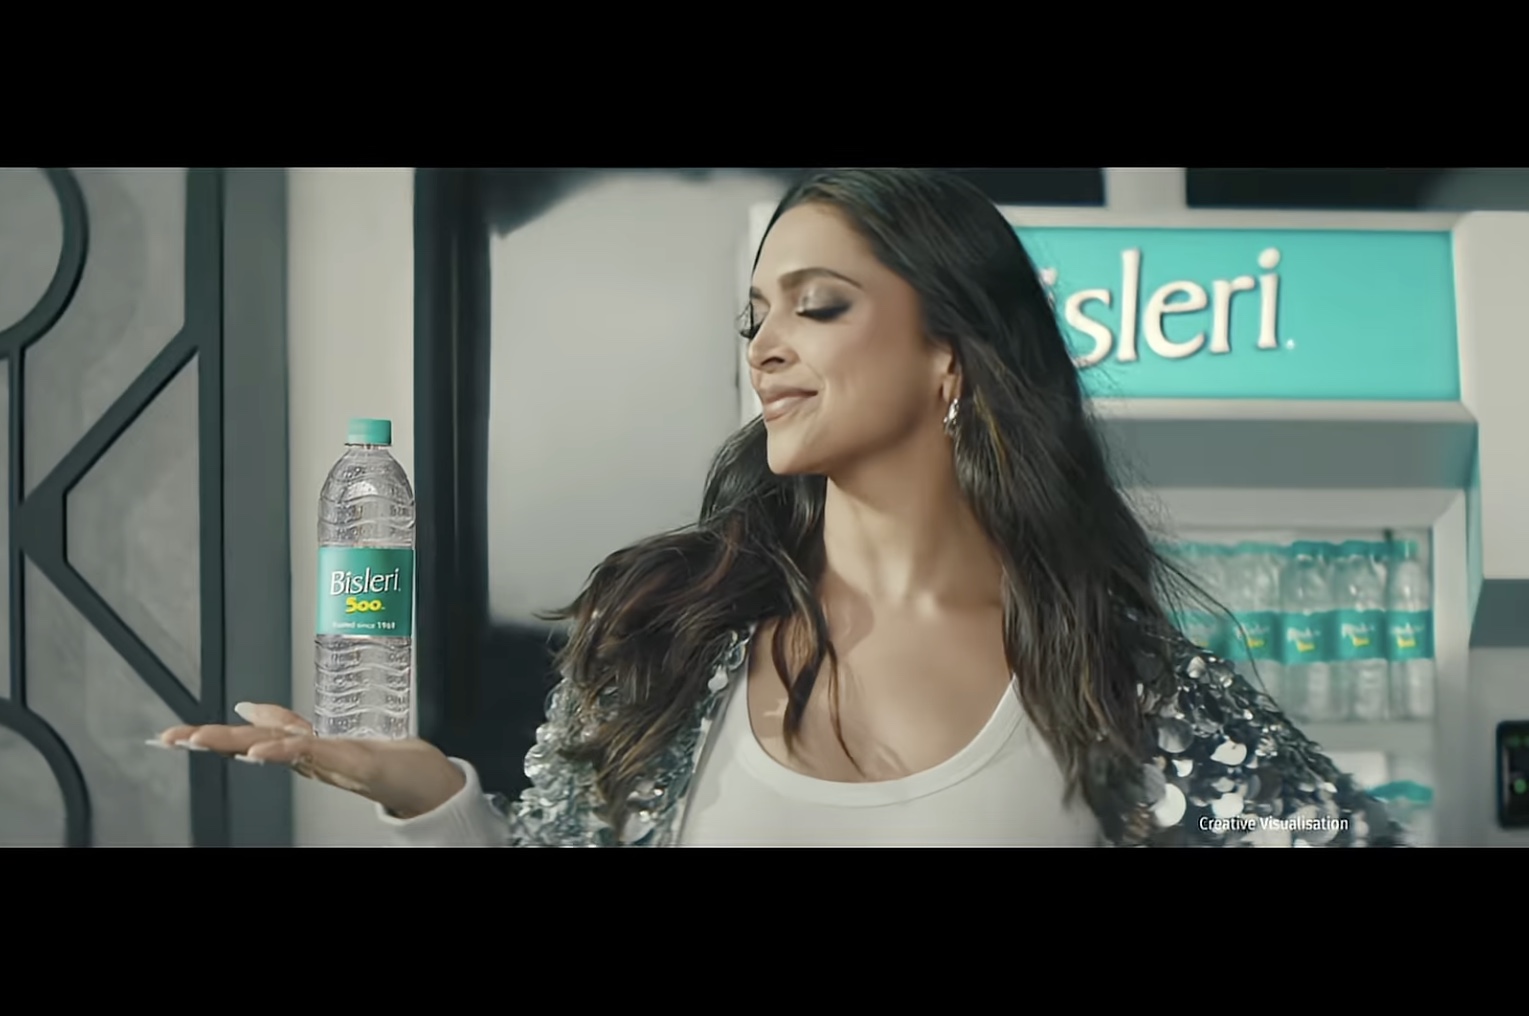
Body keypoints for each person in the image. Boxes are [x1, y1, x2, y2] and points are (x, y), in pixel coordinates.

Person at [153, 168, 1406, 847]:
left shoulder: (1116, 671)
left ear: (950, 353)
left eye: (818, 305)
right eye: (753, 315)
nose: (764, 346)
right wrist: (428, 797)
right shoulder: (665, 623)